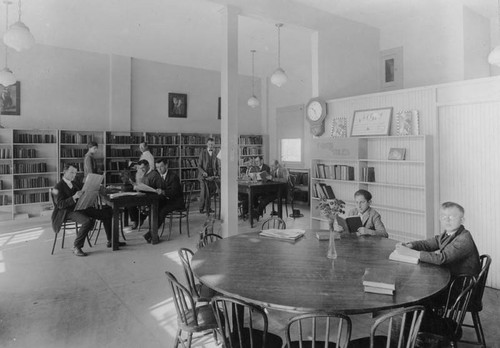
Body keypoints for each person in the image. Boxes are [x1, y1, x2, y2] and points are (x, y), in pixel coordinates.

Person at [51, 164, 124, 256]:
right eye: (71, 172)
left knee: (107, 213)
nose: (74, 175)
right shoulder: (57, 187)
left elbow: (86, 186)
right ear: (64, 172)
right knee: (87, 221)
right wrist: (74, 197)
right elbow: (60, 205)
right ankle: (76, 247)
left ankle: (111, 240)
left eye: (75, 173)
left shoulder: (74, 183)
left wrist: (97, 185)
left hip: (80, 207)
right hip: (66, 212)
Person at [401, 201, 480, 277]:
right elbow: (429, 243)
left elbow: (442, 258)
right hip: (450, 274)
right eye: (443, 217)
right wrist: (411, 245)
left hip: (460, 282)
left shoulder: (463, 238)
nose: (447, 220)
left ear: (462, 220)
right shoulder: (448, 233)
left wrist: (411, 253)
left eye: (452, 216)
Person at [129, 160, 163, 245]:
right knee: (130, 204)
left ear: (148, 166)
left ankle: (153, 235)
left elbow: (160, 189)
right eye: (140, 168)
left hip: (155, 199)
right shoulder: (145, 174)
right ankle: (138, 220)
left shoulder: (154, 175)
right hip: (147, 198)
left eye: (143, 167)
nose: (142, 169)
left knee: (151, 210)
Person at [154, 157, 185, 230]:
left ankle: (152, 233)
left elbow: (174, 192)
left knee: (163, 211)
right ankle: (152, 230)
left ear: (166, 165)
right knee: (154, 208)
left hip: (176, 202)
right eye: (157, 167)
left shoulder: (173, 176)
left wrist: (163, 192)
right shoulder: (157, 176)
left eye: (161, 167)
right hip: (166, 200)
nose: (159, 169)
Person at [197, 137, 219, 214]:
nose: (211, 146)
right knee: (204, 192)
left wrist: (217, 174)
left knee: (211, 192)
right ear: (207, 144)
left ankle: (208, 208)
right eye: (209, 144)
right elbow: (199, 166)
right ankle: (201, 208)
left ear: (214, 145)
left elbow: (216, 165)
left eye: (212, 145)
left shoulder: (215, 153)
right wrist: (203, 172)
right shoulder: (202, 153)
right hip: (203, 176)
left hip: (211, 176)